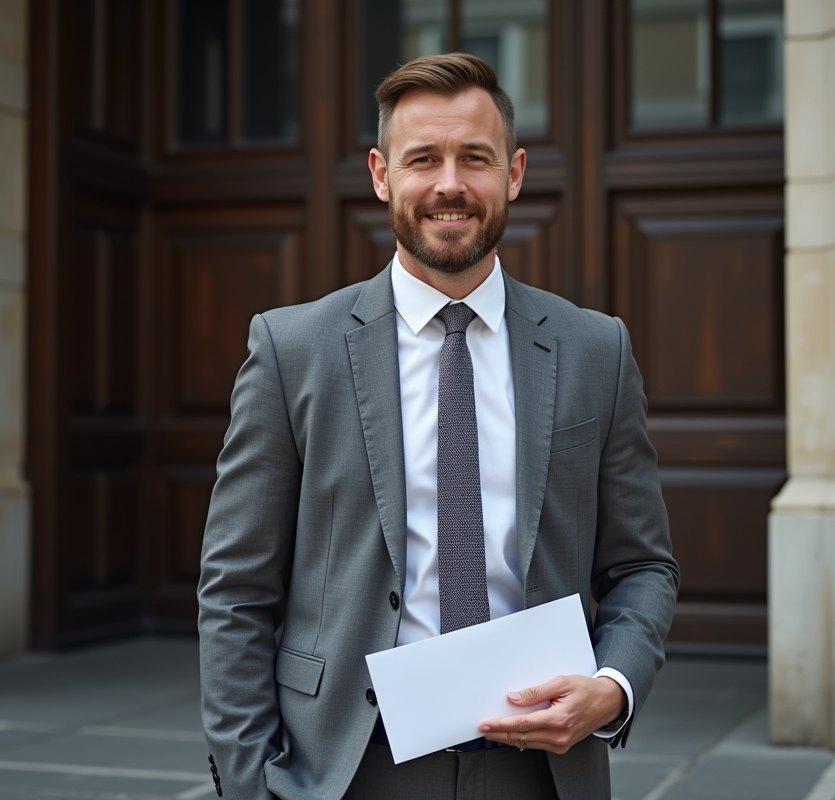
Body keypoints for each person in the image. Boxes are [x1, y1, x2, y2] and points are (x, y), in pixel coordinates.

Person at [198, 53, 678, 800]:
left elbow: (642, 566)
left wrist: (613, 687)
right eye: (424, 158)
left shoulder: (596, 350)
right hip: (348, 769)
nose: (449, 184)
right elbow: (236, 591)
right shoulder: (293, 351)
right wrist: (251, 782)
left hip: (545, 772)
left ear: (514, 173)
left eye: (474, 159)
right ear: (382, 174)